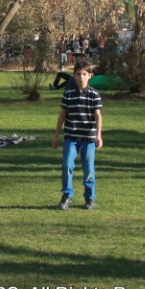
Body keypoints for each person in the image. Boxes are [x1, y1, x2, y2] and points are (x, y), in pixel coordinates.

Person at [52, 60, 103, 210]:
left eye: (84, 74)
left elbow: (98, 116)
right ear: (74, 76)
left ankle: (89, 197)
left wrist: (98, 136)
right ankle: (67, 195)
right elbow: (62, 115)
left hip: (88, 138)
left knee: (88, 168)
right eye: (78, 74)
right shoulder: (68, 94)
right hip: (71, 137)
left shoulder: (94, 95)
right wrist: (56, 135)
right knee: (67, 165)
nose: (81, 77)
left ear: (90, 76)